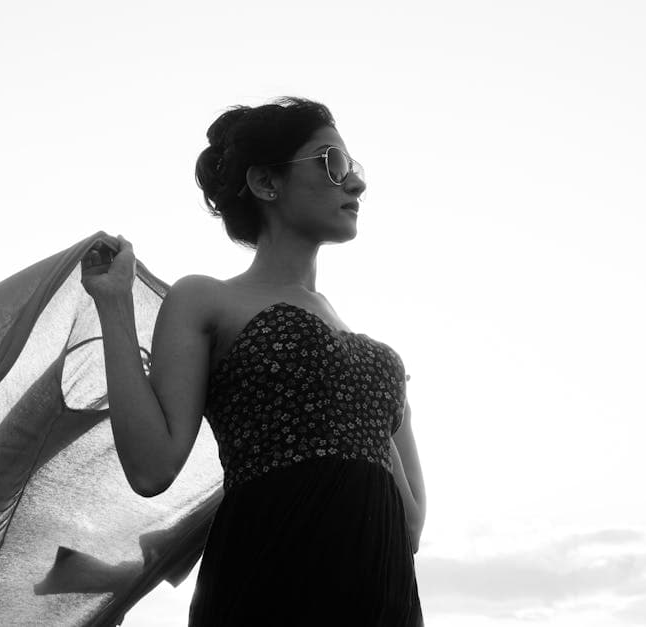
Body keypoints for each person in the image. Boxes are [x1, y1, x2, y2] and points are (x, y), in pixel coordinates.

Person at [81, 96, 425, 625]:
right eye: (332, 164)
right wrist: (114, 303)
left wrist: (371, 396)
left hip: (384, 597)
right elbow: (152, 467)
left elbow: (411, 526)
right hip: (268, 584)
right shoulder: (206, 299)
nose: (355, 184)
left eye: (354, 169)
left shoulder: (373, 355)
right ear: (267, 184)